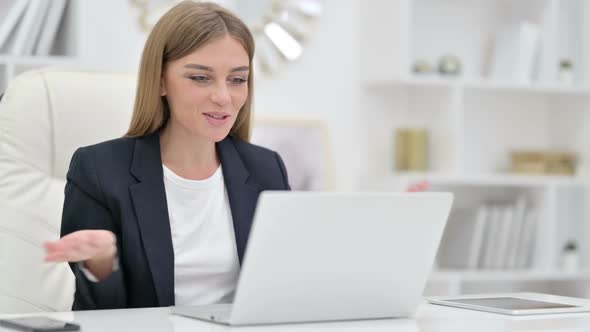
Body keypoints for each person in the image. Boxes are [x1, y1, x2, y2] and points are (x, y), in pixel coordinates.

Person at [43, 1, 290, 310]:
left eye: (237, 79)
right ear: (160, 80)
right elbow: (101, 319)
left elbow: (280, 292)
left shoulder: (266, 168)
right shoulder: (99, 170)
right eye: (200, 78)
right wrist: (101, 263)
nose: (224, 97)